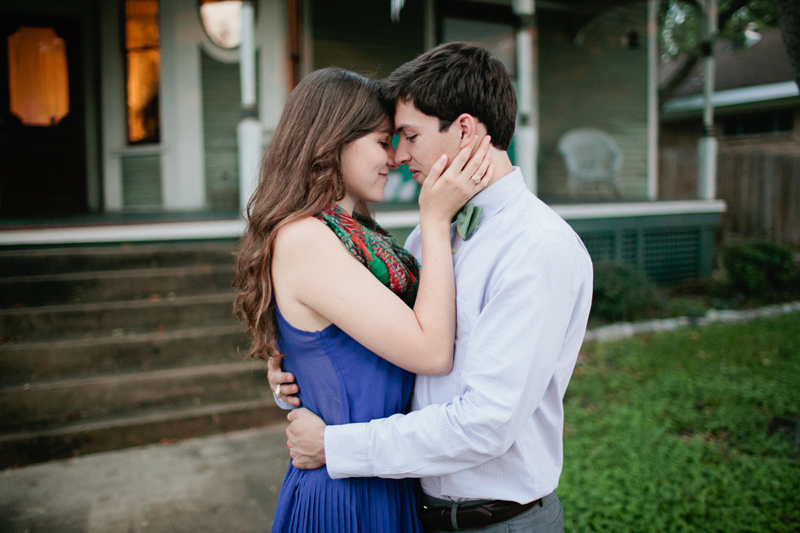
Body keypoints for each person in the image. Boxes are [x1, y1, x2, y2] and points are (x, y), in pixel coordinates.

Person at [271, 42, 594, 533]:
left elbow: (486, 425)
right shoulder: (429, 234)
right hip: (412, 509)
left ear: (464, 130)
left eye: (408, 136)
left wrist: (336, 446)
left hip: (498, 523)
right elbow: (386, 351)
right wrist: (299, 372)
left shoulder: (538, 247)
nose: (399, 156)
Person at [233, 67, 493, 533]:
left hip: (381, 474)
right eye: (381, 141)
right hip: (346, 494)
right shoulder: (306, 238)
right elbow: (432, 350)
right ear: (333, 141)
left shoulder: (359, 238)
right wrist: (434, 222)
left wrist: (292, 374)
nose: (395, 158)